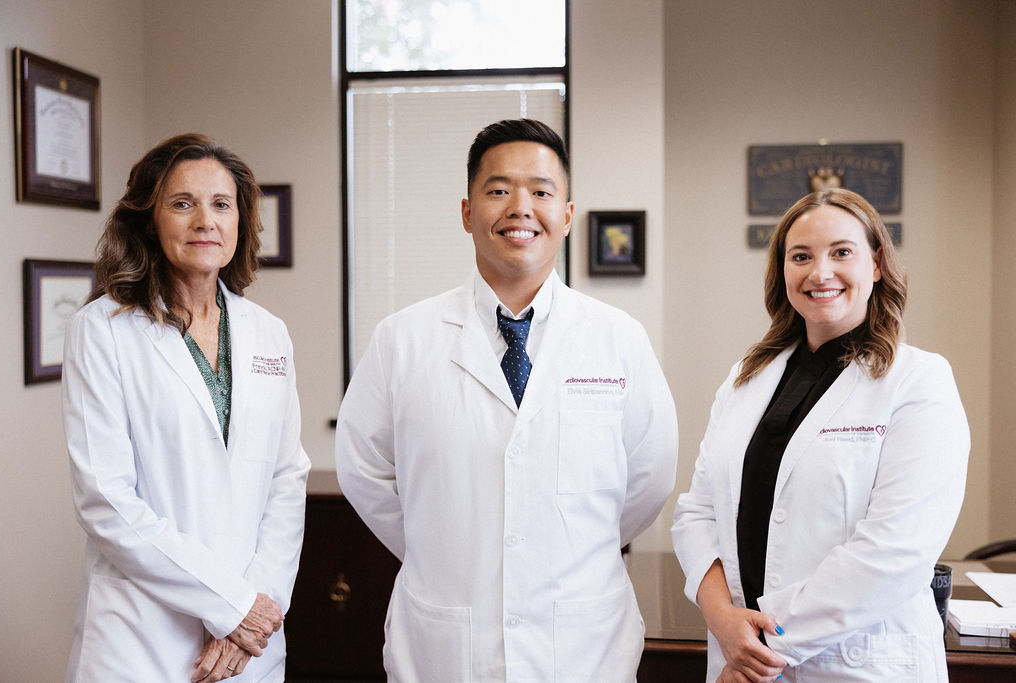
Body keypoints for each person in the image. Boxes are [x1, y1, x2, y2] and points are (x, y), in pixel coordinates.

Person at [335, 118, 678, 681]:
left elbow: (650, 476)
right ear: (468, 212)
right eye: (498, 190)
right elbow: (363, 469)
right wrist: (441, 545)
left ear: (566, 216)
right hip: (446, 643)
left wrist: (566, 543)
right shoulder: (404, 338)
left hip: (582, 644)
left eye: (542, 192)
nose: (521, 207)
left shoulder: (617, 339)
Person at [671, 188, 969, 682]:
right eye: (801, 256)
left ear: (876, 264)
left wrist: (760, 651)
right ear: (782, 270)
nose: (820, 272)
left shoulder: (918, 381)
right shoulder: (747, 377)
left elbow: (895, 551)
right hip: (740, 652)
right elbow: (698, 513)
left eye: (841, 252)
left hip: (855, 664)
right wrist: (723, 621)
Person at [62, 133, 310, 683]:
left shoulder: (268, 333)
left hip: (249, 642)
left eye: (222, 204)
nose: (205, 221)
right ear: (148, 220)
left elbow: (287, 477)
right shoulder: (102, 331)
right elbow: (106, 499)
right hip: (142, 639)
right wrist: (230, 605)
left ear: (241, 221)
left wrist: (253, 608)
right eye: (182, 203)